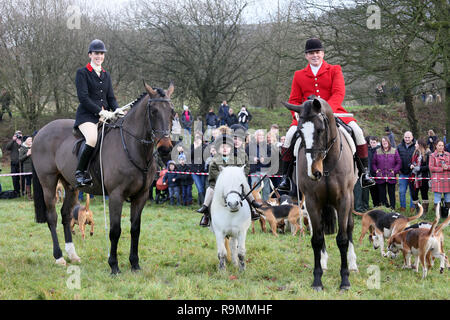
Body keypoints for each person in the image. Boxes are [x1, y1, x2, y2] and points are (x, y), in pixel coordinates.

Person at [278, 38, 375, 191]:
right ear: (306, 56)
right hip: (307, 118)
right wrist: (297, 114)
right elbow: (294, 99)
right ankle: (286, 178)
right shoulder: (299, 75)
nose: (314, 55)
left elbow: (338, 93)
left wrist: (325, 111)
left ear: (322, 53)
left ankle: (364, 173)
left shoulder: (334, 69)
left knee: (358, 132)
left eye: (317, 52)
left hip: (334, 113)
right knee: (289, 137)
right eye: (311, 53)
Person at [74, 39, 122, 187]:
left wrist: (117, 110)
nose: (99, 56)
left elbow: (110, 98)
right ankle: (80, 173)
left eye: (101, 54)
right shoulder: (82, 73)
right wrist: (100, 112)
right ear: (90, 54)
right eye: (96, 53)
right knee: (93, 139)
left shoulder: (106, 75)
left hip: (105, 117)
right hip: (87, 117)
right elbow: (84, 98)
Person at [196, 134, 262, 227]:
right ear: (218, 149)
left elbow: (241, 171)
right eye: (222, 147)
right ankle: (205, 212)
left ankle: (253, 206)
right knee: (210, 190)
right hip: (218, 185)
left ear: (231, 148)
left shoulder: (237, 159)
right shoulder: (214, 162)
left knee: (245, 187)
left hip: (235, 184)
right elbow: (216, 176)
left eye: (227, 147)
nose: (225, 149)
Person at [371, 136, 401, 210]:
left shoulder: (394, 151)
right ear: (381, 143)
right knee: (382, 195)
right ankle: (385, 209)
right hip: (381, 177)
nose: (384, 143)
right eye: (383, 141)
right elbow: (373, 163)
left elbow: (399, 163)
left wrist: (394, 171)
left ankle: (392, 209)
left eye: (386, 141)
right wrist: (376, 171)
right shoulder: (377, 151)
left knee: (392, 194)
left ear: (388, 142)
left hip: (391, 176)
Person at [409, 138, 431, 213]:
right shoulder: (415, 153)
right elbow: (410, 162)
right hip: (414, 177)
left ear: (420, 145)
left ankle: (424, 212)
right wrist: (411, 165)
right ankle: (419, 210)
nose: (415, 145)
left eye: (416, 144)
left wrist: (419, 168)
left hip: (423, 177)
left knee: (424, 194)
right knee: (414, 195)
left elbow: (429, 166)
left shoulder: (428, 153)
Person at [397, 131, 417, 212]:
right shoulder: (399, 146)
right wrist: (398, 170)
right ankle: (403, 207)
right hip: (402, 173)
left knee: (413, 191)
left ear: (412, 137)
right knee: (402, 192)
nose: (407, 139)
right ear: (403, 137)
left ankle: (412, 207)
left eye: (409, 137)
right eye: (406, 137)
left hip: (412, 173)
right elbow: (396, 159)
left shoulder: (416, 146)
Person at [429, 140, 450, 214]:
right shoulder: (432, 155)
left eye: (442, 146)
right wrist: (441, 169)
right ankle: (438, 215)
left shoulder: (448, 154)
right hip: (437, 180)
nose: (441, 147)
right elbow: (431, 168)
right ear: (436, 146)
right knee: (437, 199)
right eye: (439, 145)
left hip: (447, 180)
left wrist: (447, 167)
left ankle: (448, 215)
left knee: (448, 198)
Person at [191, 132, 206, 205]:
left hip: (202, 170)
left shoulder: (205, 146)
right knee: (199, 187)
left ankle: (200, 203)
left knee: (202, 187)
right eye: (196, 137)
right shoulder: (192, 146)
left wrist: (199, 146)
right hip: (194, 171)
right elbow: (189, 156)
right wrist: (195, 147)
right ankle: (203, 204)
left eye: (199, 137)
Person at [5, 130, 23, 195]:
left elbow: (26, 148)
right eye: (17, 134)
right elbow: (7, 147)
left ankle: (23, 191)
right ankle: (16, 191)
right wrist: (13, 140)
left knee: (22, 178)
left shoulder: (23, 141)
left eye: (19, 134)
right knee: (14, 178)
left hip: (21, 163)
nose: (18, 135)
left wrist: (20, 144)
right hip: (14, 163)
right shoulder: (13, 142)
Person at [367, 136, 381, 207]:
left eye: (374, 142)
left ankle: (381, 205)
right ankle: (375, 205)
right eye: (371, 142)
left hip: (378, 174)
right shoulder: (368, 150)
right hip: (370, 174)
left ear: (377, 142)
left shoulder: (379, 150)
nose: (372, 144)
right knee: (372, 191)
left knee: (380, 191)